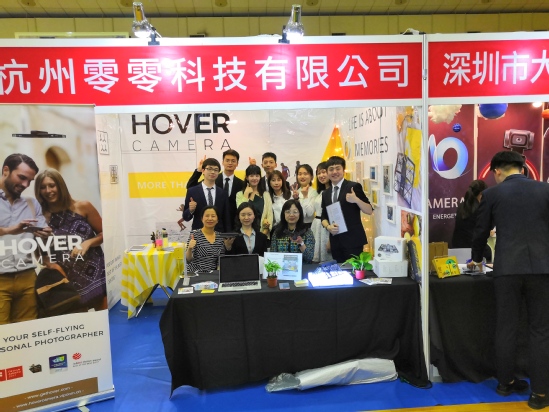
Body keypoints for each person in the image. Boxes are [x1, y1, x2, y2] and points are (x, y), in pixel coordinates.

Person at [468, 151, 549, 410]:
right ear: (522, 168)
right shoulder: (545, 190)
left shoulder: (492, 194)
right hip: (542, 269)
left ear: (498, 171)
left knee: (506, 327)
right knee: (540, 331)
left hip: (507, 269)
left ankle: (505, 383)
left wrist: (476, 258)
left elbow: (480, 231)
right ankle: (540, 393)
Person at [35, 168, 107, 311]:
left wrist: (88, 243)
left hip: (95, 272)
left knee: (103, 318)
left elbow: (104, 232)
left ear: (60, 186)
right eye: (43, 187)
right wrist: (51, 265)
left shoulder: (83, 206)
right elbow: (37, 251)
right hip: (65, 278)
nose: (48, 191)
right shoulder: (39, 217)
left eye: (52, 185)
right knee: (79, 321)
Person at [0, 154, 51, 324]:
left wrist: (45, 235)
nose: (25, 185)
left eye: (29, 181)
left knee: (28, 330)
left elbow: (42, 235)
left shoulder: (32, 203)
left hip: (28, 276)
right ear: (6, 170)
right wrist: (9, 230)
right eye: (22, 177)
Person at [321, 156, 373, 263]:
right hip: (335, 242)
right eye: (331, 169)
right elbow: (324, 216)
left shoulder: (353, 187)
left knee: (354, 271)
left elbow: (369, 210)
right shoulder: (326, 193)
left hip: (353, 241)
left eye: (338, 168)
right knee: (338, 271)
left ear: (343, 170)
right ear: (327, 172)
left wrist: (356, 200)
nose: (334, 172)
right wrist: (328, 227)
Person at [186, 149, 244, 226]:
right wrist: (199, 171)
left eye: (233, 161)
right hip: (210, 223)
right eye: (227, 160)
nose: (230, 163)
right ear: (223, 162)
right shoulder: (213, 178)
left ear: (237, 163)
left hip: (234, 224)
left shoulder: (242, 184)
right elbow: (191, 187)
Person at [183, 158, 231, 232]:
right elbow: (186, 217)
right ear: (203, 171)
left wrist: (227, 235)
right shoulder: (192, 191)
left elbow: (226, 218)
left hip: (218, 234)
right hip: (199, 233)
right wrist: (190, 210)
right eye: (209, 169)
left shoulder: (222, 193)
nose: (212, 172)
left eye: (216, 170)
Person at [451, 179, 491, 259]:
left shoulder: (461, 206)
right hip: (474, 251)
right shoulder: (480, 209)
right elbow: (480, 234)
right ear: (481, 194)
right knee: (489, 252)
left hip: (457, 249)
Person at [186, 206, 233, 273]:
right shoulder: (195, 234)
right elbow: (188, 260)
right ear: (202, 219)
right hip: (195, 275)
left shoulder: (220, 237)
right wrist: (190, 249)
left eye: (213, 216)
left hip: (212, 275)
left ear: (217, 220)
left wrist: (217, 276)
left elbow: (220, 262)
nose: (210, 218)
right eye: (207, 216)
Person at [236, 165, 273, 236]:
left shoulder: (266, 194)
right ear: (247, 177)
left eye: (257, 176)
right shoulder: (240, 194)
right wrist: (246, 195)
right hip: (244, 234)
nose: (254, 178)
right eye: (252, 176)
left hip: (263, 234)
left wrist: (263, 235)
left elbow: (270, 215)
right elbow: (240, 212)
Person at [311, 162, 332, 263]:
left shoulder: (333, 192)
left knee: (327, 259)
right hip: (316, 226)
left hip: (327, 228)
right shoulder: (320, 192)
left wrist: (331, 241)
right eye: (319, 173)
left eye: (324, 172)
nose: (321, 175)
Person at [292, 164, 318, 228]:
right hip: (296, 225)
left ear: (311, 177)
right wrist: (296, 199)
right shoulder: (296, 192)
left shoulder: (314, 192)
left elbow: (310, 214)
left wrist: (305, 196)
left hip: (309, 226)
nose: (302, 176)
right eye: (300, 174)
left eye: (305, 174)